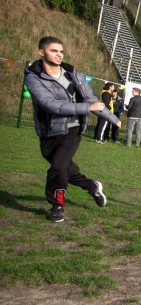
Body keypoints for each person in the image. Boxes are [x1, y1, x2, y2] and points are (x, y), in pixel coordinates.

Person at [25, 36, 120, 222]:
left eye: (61, 51)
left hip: (72, 129)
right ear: (41, 52)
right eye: (54, 51)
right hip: (48, 131)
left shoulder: (72, 73)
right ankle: (92, 186)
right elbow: (50, 105)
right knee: (66, 170)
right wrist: (87, 108)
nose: (59, 55)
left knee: (58, 167)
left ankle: (57, 204)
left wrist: (112, 118)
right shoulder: (33, 77)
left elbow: (92, 100)